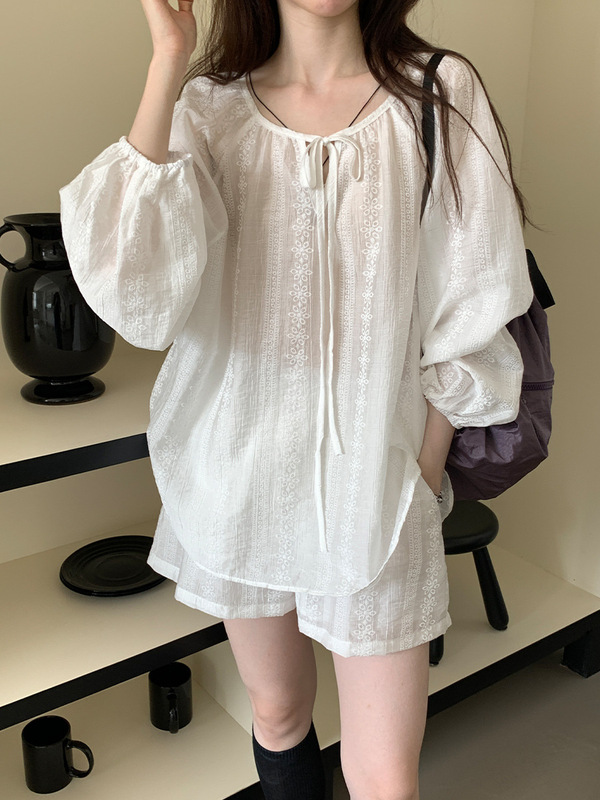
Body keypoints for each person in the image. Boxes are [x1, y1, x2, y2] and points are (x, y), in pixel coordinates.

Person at [59, 1, 533, 798]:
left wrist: (422, 471)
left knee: (384, 777)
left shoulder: (437, 94)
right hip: (240, 480)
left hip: (380, 493)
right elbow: (136, 294)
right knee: (278, 715)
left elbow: (474, 299)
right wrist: (168, 59)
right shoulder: (209, 110)